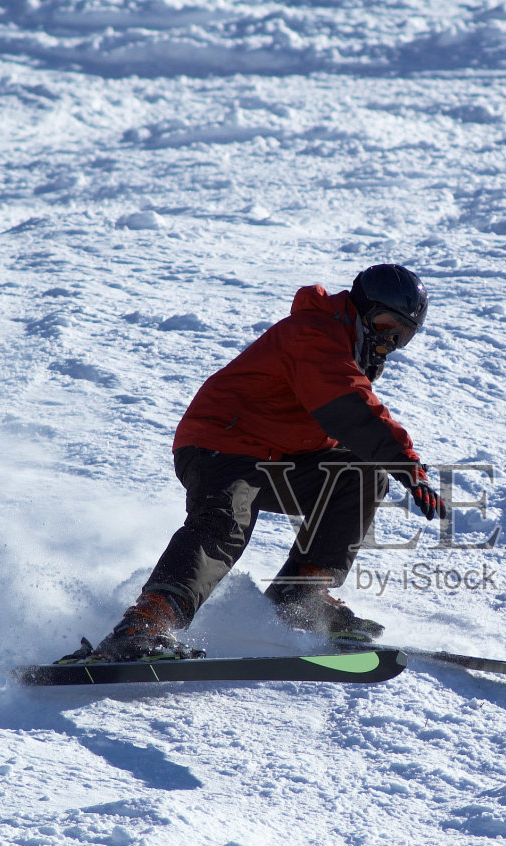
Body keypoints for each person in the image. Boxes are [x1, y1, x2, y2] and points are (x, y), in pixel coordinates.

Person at [72, 264, 444, 662]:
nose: (389, 340)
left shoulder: (347, 349)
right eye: (387, 325)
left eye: (401, 335)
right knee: (226, 522)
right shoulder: (315, 334)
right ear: (364, 310)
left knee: (360, 474)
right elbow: (349, 407)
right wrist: (407, 464)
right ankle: (146, 623)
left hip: (278, 457)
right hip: (221, 444)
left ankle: (301, 596)